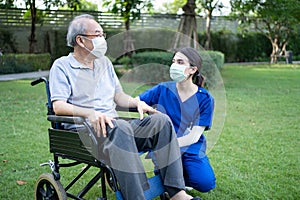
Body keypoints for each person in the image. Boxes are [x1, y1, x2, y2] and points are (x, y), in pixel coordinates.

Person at [49, 14, 200, 200]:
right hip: (84, 131)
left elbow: (118, 97)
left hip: (115, 127)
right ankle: (137, 196)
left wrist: (137, 102)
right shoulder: (62, 66)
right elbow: (58, 106)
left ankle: (177, 193)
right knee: (118, 126)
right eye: (98, 35)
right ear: (80, 40)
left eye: (103, 34)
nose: (103, 39)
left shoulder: (104, 63)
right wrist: (90, 114)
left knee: (161, 121)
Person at [138, 47, 216, 193]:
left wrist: (166, 145)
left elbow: (193, 137)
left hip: (190, 147)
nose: (174, 66)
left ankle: (181, 177)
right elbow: (136, 101)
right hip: (163, 149)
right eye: (173, 61)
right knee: (169, 177)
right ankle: (173, 179)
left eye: (180, 62)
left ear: (193, 70)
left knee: (205, 183)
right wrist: (139, 104)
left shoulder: (205, 99)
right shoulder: (162, 89)